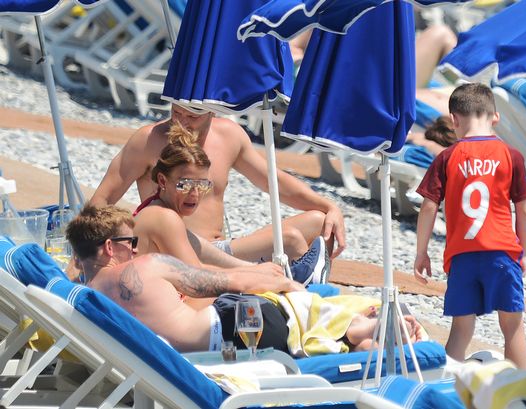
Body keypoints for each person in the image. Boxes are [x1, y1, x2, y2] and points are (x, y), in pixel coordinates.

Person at [66, 204, 422, 355]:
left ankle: (356, 339)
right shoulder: (144, 267)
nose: (136, 249)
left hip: (206, 342)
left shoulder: (82, 296)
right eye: (131, 244)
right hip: (238, 334)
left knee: (290, 302)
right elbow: (222, 283)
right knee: (289, 298)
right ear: (110, 248)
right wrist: (274, 280)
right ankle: (360, 329)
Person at [90, 103, 346, 263]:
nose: (182, 122)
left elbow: (274, 182)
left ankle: (296, 293)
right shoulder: (147, 141)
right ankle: (306, 302)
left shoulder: (229, 136)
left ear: (212, 110)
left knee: (321, 221)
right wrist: (94, 256)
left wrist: (330, 206)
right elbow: (101, 201)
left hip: (223, 247)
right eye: (176, 112)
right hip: (178, 249)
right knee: (290, 240)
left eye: (193, 116)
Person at [413, 83, 526, 369]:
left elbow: (429, 206)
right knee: (512, 327)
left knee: (461, 329)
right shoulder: (510, 155)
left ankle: (449, 386)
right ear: (495, 117)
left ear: (454, 119)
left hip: (462, 255)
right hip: (502, 252)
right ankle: (522, 392)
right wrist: (523, 252)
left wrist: (422, 252)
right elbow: (524, 210)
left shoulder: (447, 157)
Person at [133, 125, 330, 286]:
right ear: (162, 180)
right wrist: (257, 276)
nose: (194, 194)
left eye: (202, 185)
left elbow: (216, 258)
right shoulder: (162, 218)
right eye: (184, 185)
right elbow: (197, 276)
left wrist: (257, 270)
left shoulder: (165, 212)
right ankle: (304, 284)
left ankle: (301, 281)